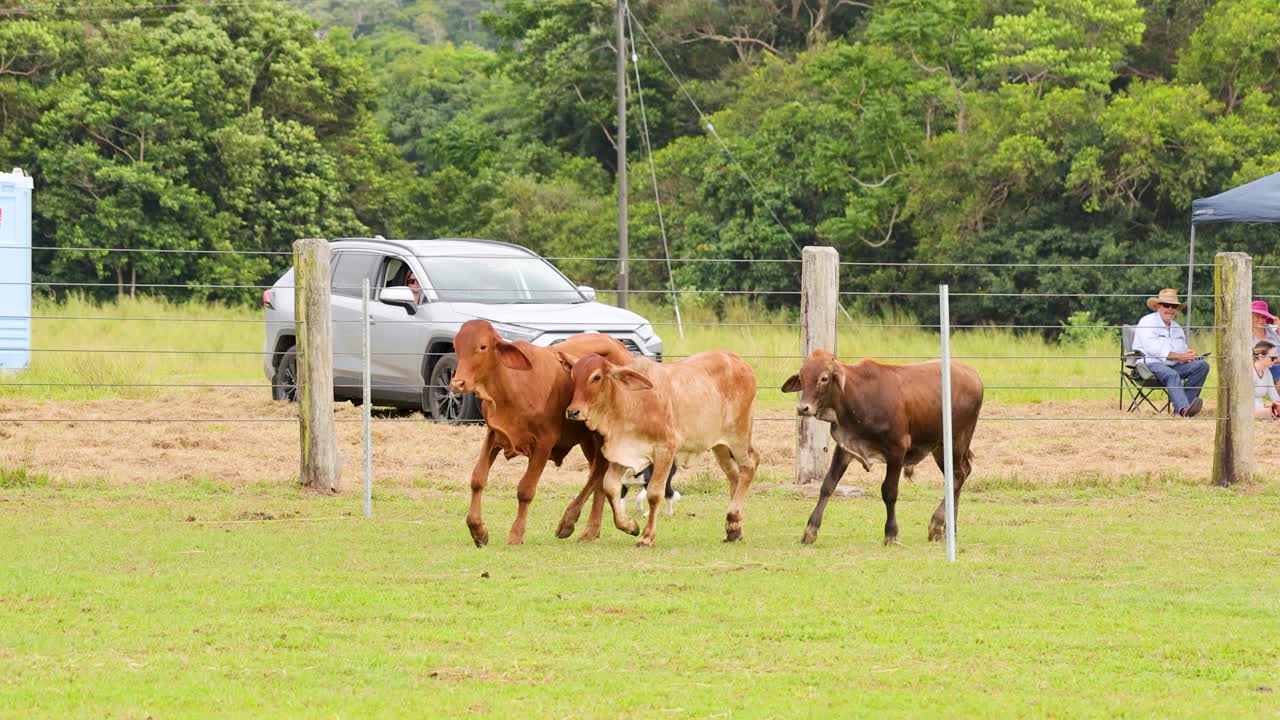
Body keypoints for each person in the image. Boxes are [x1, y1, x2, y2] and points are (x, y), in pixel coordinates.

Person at [1132, 288, 1210, 417]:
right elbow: (1154, 350)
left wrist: (1189, 355)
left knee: (1202, 366)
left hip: (1173, 364)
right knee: (1172, 374)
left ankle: (1187, 408)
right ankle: (1183, 409)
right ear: (1158, 306)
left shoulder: (1176, 327)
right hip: (1149, 364)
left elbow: (1181, 350)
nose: (1170, 309)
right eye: (1166, 305)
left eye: (1174, 306)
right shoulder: (1147, 322)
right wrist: (1180, 356)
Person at [1250, 300, 1280, 395]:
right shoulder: (1245, 336)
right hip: (1264, 367)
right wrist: (1273, 360)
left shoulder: (1272, 331)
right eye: (1256, 316)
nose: (1260, 320)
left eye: (1263, 317)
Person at [1252, 340, 1280, 420]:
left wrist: (1278, 404)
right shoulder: (1250, 372)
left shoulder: (1267, 371)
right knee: (1270, 412)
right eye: (1272, 358)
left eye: (1276, 357)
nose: (1275, 361)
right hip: (1248, 409)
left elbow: (1274, 395)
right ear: (1261, 356)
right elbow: (1244, 400)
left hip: (1260, 408)